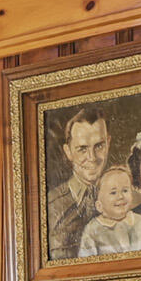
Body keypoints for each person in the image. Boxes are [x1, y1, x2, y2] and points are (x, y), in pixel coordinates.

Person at [41, 106, 112, 260]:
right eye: (82, 149)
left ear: (108, 143)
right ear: (68, 152)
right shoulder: (50, 205)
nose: (92, 158)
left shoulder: (126, 195)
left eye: (99, 146)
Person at [73, 163, 141, 256]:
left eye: (125, 190)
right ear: (99, 206)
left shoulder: (139, 221)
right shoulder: (93, 229)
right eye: (113, 192)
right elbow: (86, 259)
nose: (120, 196)